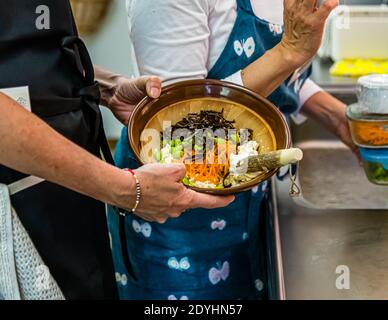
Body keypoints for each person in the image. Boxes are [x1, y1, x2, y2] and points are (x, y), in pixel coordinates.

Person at [108, 0, 355, 300]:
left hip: (248, 199)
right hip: (177, 212)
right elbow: (182, 126)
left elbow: (278, 74)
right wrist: (288, 52)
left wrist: (341, 120)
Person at [0, 0, 233, 300]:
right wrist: (124, 188)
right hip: (15, 203)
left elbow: (24, 57)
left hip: (65, 188)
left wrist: (107, 88)